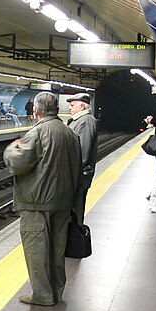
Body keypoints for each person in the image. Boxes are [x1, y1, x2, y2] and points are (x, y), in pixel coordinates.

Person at [3, 92, 81, 306]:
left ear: (36, 111)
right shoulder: (69, 133)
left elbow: (18, 164)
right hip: (63, 202)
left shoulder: (37, 133)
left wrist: (11, 150)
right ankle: (56, 291)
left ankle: (42, 295)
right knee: (57, 250)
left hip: (36, 203)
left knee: (37, 251)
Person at [66, 92, 98, 223]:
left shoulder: (86, 121)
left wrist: (70, 174)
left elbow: (82, 154)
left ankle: (77, 241)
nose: (70, 108)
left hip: (79, 178)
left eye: (73, 105)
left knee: (76, 214)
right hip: (76, 177)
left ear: (82, 107)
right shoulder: (79, 121)